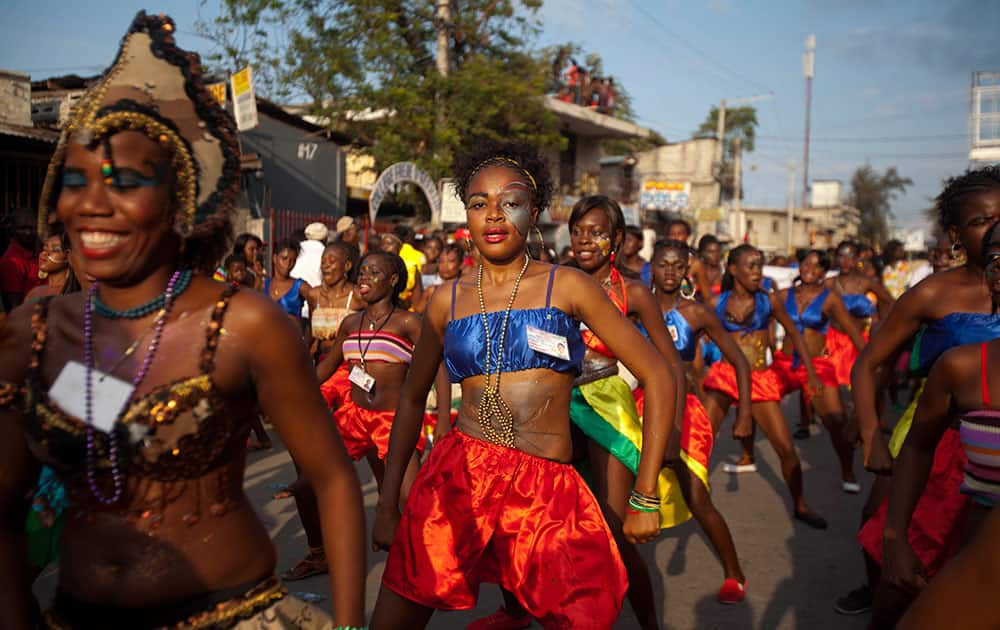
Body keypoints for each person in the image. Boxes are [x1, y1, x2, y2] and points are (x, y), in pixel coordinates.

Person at [0, 12, 365, 629]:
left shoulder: (242, 325)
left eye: (125, 182)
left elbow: (331, 478)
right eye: (74, 180)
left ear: (180, 200)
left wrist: (352, 626)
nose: (90, 203)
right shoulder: (34, 338)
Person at [369, 141, 676, 629]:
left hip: (546, 490)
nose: (493, 215)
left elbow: (659, 374)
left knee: (582, 615)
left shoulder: (569, 287)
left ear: (533, 212)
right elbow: (410, 400)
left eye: (508, 202)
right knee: (397, 609)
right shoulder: (446, 300)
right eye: (477, 203)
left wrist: (645, 496)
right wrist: (388, 503)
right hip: (460, 477)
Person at [838, 165, 1000, 617]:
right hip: (940, 434)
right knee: (895, 540)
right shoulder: (935, 293)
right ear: (953, 234)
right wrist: (871, 432)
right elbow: (870, 362)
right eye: (980, 221)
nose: (993, 231)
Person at [564, 195, 684, 628]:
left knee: (615, 533)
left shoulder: (632, 291)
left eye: (596, 233)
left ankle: (648, 622)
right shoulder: (554, 281)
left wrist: (673, 428)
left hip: (607, 410)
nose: (585, 241)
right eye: (578, 231)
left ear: (615, 240)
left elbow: (669, 367)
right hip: (556, 410)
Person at [874, 223, 1000, 627]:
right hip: (979, 571)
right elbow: (917, 446)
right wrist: (895, 537)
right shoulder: (962, 367)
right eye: (996, 257)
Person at [648, 238, 751, 603]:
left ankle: (734, 573)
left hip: (682, 414)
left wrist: (746, 414)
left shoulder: (696, 313)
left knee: (696, 496)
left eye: (678, 265)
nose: (671, 272)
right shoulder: (631, 307)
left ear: (687, 267)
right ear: (652, 265)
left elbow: (739, 361)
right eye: (664, 264)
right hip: (636, 409)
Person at [702, 245, 828, 528]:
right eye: (751, 266)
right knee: (698, 442)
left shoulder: (768, 302)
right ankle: (686, 499)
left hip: (758, 378)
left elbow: (794, 332)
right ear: (733, 269)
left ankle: (800, 504)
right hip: (724, 375)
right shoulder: (715, 303)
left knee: (786, 449)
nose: (757, 272)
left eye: (760, 266)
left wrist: (811, 372)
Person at [771, 250, 865, 493]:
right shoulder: (781, 295)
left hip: (816, 364)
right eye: (806, 263)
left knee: (835, 420)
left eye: (817, 265)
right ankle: (747, 456)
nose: (810, 268)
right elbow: (760, 317)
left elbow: (853, 333)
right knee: (749, 399)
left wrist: (870, 362)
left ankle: (848, 470)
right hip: (784, 362)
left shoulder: (829, 299)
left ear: (824, 271)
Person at [825, 241, 894, 390]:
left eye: (850, 257)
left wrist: (878, 323)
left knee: (860, 386)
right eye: (841, 256)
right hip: (833, 341)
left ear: (857, 260)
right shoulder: (828, 284)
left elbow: (890, 302)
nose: (845, 261)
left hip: (860, 341)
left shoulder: (866, 283)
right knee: (831, 387)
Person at [1, 207, 41, 310]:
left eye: (32, 228)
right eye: (23, 228)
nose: (29, 232)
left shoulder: (40, 251)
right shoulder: (12, 261)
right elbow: (14, 307)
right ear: (13, 229)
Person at [264, 238, 310, 327]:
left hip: (292, 339)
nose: (288, 263)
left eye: (292, 260)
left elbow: (317, 303)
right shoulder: (263, 285)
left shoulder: (300, 286)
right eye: (284, 258)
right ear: (274, 258)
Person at [381, 227, 424, 308]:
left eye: (389, 244)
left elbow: (417, 302)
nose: (384, 247)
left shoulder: (411, 267)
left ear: (400, 247)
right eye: (382, 244)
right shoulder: (374, 266)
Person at [23, 232, 74, 302]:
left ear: (68, 256)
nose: (44, 253)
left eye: (55, 250)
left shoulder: (75, 294)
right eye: (45, 248)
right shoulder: (35, 292)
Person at [290, 221, 328, 292]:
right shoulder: (325, 252)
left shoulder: (297, 247)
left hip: (291, 294)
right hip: (314, 295)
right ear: (325, 239)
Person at [694, 234, 724, 300]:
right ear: (702, 253)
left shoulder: (725, 271)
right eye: (710, 252)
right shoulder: (696, 270)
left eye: (718, 251)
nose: (715, 255)